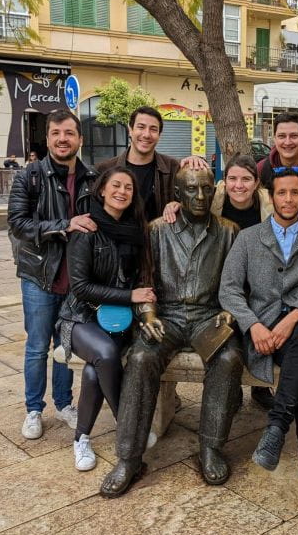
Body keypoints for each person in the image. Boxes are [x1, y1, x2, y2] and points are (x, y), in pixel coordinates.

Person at [100, 167, 243, 497]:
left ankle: (211, 447)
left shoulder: (229, 231)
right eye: (192, 190)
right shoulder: (157, 230)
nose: (201, 197)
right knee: (139, 357)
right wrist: (148, 315)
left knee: (230, 357)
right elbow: (144, 280)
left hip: (210, 315)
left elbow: (238, 283)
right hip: (169, 316)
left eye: (207, 189)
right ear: (177, 196)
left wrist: (229, 310)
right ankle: (129, 458)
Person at [220, 168, 298, 503]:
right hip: (263, 329)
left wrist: (294, 316)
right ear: (270, 196)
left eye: (295, 193)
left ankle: (276, 427)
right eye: (282, 193)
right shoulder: (248, 238)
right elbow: (229, 290)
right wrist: (253, 324)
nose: (288, 200)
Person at [56, 166, 156, 470]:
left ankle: (81, 439)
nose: (122, 191)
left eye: (128, 187)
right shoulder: (87, 230)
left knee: (92, 372)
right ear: (102, 190)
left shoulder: (137, 231)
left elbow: (141, 278)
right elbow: (81, 288)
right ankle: (128, 424)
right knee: (105, 353)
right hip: (80, 318)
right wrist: (130, 297)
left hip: (119, 320)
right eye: (116, 185)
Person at [7, 109, 98, 440]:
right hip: (39, 277)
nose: (63, 139)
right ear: (47, 139)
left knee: (67, 345)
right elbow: (18, 224)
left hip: (76, 280)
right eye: (56, 133)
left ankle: (64, 403)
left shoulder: (91, 178)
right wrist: (64, 225)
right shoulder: (29, 177)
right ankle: (34, 409)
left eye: (69, 133)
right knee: (37, 346)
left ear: (79, 139)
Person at [163, 153, 275, 410]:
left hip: (256, 280)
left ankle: (260, 386)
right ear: (224, 182)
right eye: (233, 178)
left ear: (256, 182)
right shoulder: (214, 201)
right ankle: (229, 389)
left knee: (259, 320)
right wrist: (174, 205)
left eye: (246, 179)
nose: (239, 185)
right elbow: (191, 207)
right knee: (227, 332)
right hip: (222, 283)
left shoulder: (268, 206)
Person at [98, 106, 207, 221]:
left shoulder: (174, 168)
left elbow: (195, 203)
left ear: (159, 135)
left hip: (160, 237)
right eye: (141, 127)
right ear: (130, 130)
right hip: (118, 237)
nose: (146, 135)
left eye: (153, 129)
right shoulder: (105, 170)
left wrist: (181, 206)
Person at [257, 112, 298, 187]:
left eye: (294, 136)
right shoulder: (261, 170)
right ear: (275, 138)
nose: (287, 142)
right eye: (282, 136)